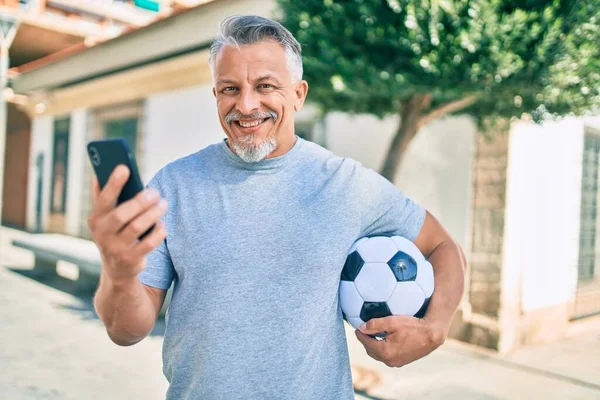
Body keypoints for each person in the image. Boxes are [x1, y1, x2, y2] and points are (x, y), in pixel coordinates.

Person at [90, 15, 466, 400]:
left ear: (298, 94)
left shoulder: (346, 185)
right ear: (216, 95)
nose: (246, 104)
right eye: (229, 89)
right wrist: (119, 273)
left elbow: (443, 247)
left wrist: (435, 328)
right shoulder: (172, 188)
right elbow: (126, 331)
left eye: (265, 86)